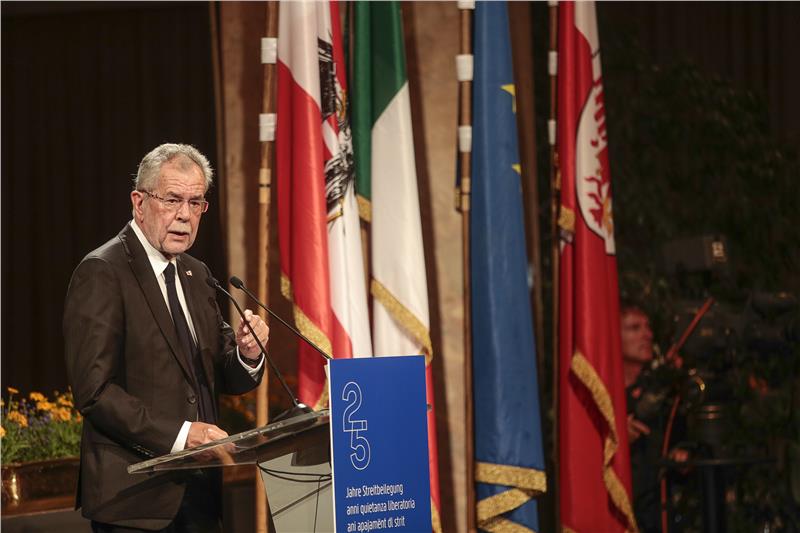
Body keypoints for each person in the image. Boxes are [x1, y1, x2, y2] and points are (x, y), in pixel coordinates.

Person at [63, 143, 270, 532]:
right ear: (139, 203)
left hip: (201, 495)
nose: (185, 215)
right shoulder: (103, 271)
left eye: (195, 203)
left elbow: (222, 375)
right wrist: (182, 435)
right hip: (134, 501)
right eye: (172, 199)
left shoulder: (197, 273)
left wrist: (247, 353)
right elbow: (95, 392)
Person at [622, 304, 688, 532]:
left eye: (648, 327)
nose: (647, 335)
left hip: (659, 516)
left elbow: (684, 440)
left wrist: (681, 455)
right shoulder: (601, 395)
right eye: (634, 328)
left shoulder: (663, 391)